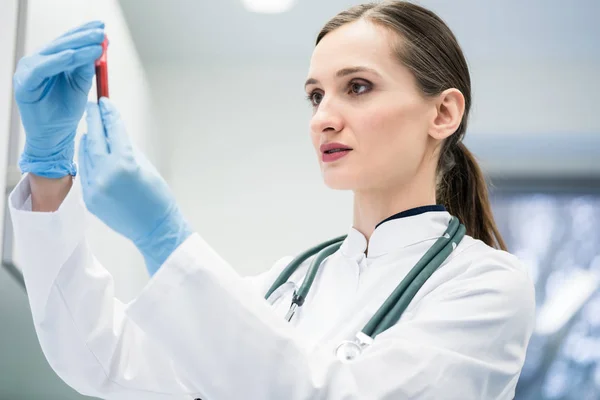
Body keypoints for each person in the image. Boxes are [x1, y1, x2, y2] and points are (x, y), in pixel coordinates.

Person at [9, 1, 535, 399]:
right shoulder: (286, 286)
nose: (322, 117)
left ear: (442, 114)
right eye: (315, 94)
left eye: (356, 87)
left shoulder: (485, 286)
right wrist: (47, 172)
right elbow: (103, 358)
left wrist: (164, 239)